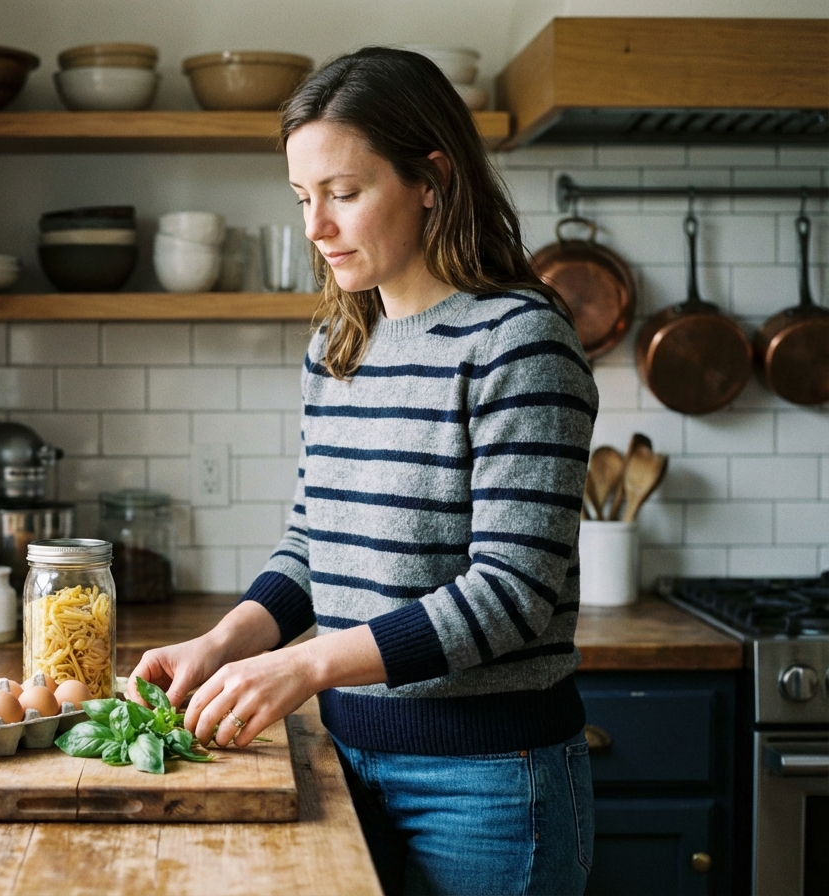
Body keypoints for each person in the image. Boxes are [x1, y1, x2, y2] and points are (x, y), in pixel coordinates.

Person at [129, 46, 597, 896]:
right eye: (304, 199)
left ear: (431, 180)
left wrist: (305, 667)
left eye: (344, 194)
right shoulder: (340, 346)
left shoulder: (519, 342)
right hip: (345, 759)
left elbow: (511, 595)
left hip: (487, 783)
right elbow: (315, 544)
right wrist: (222, 642)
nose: (316, 227)